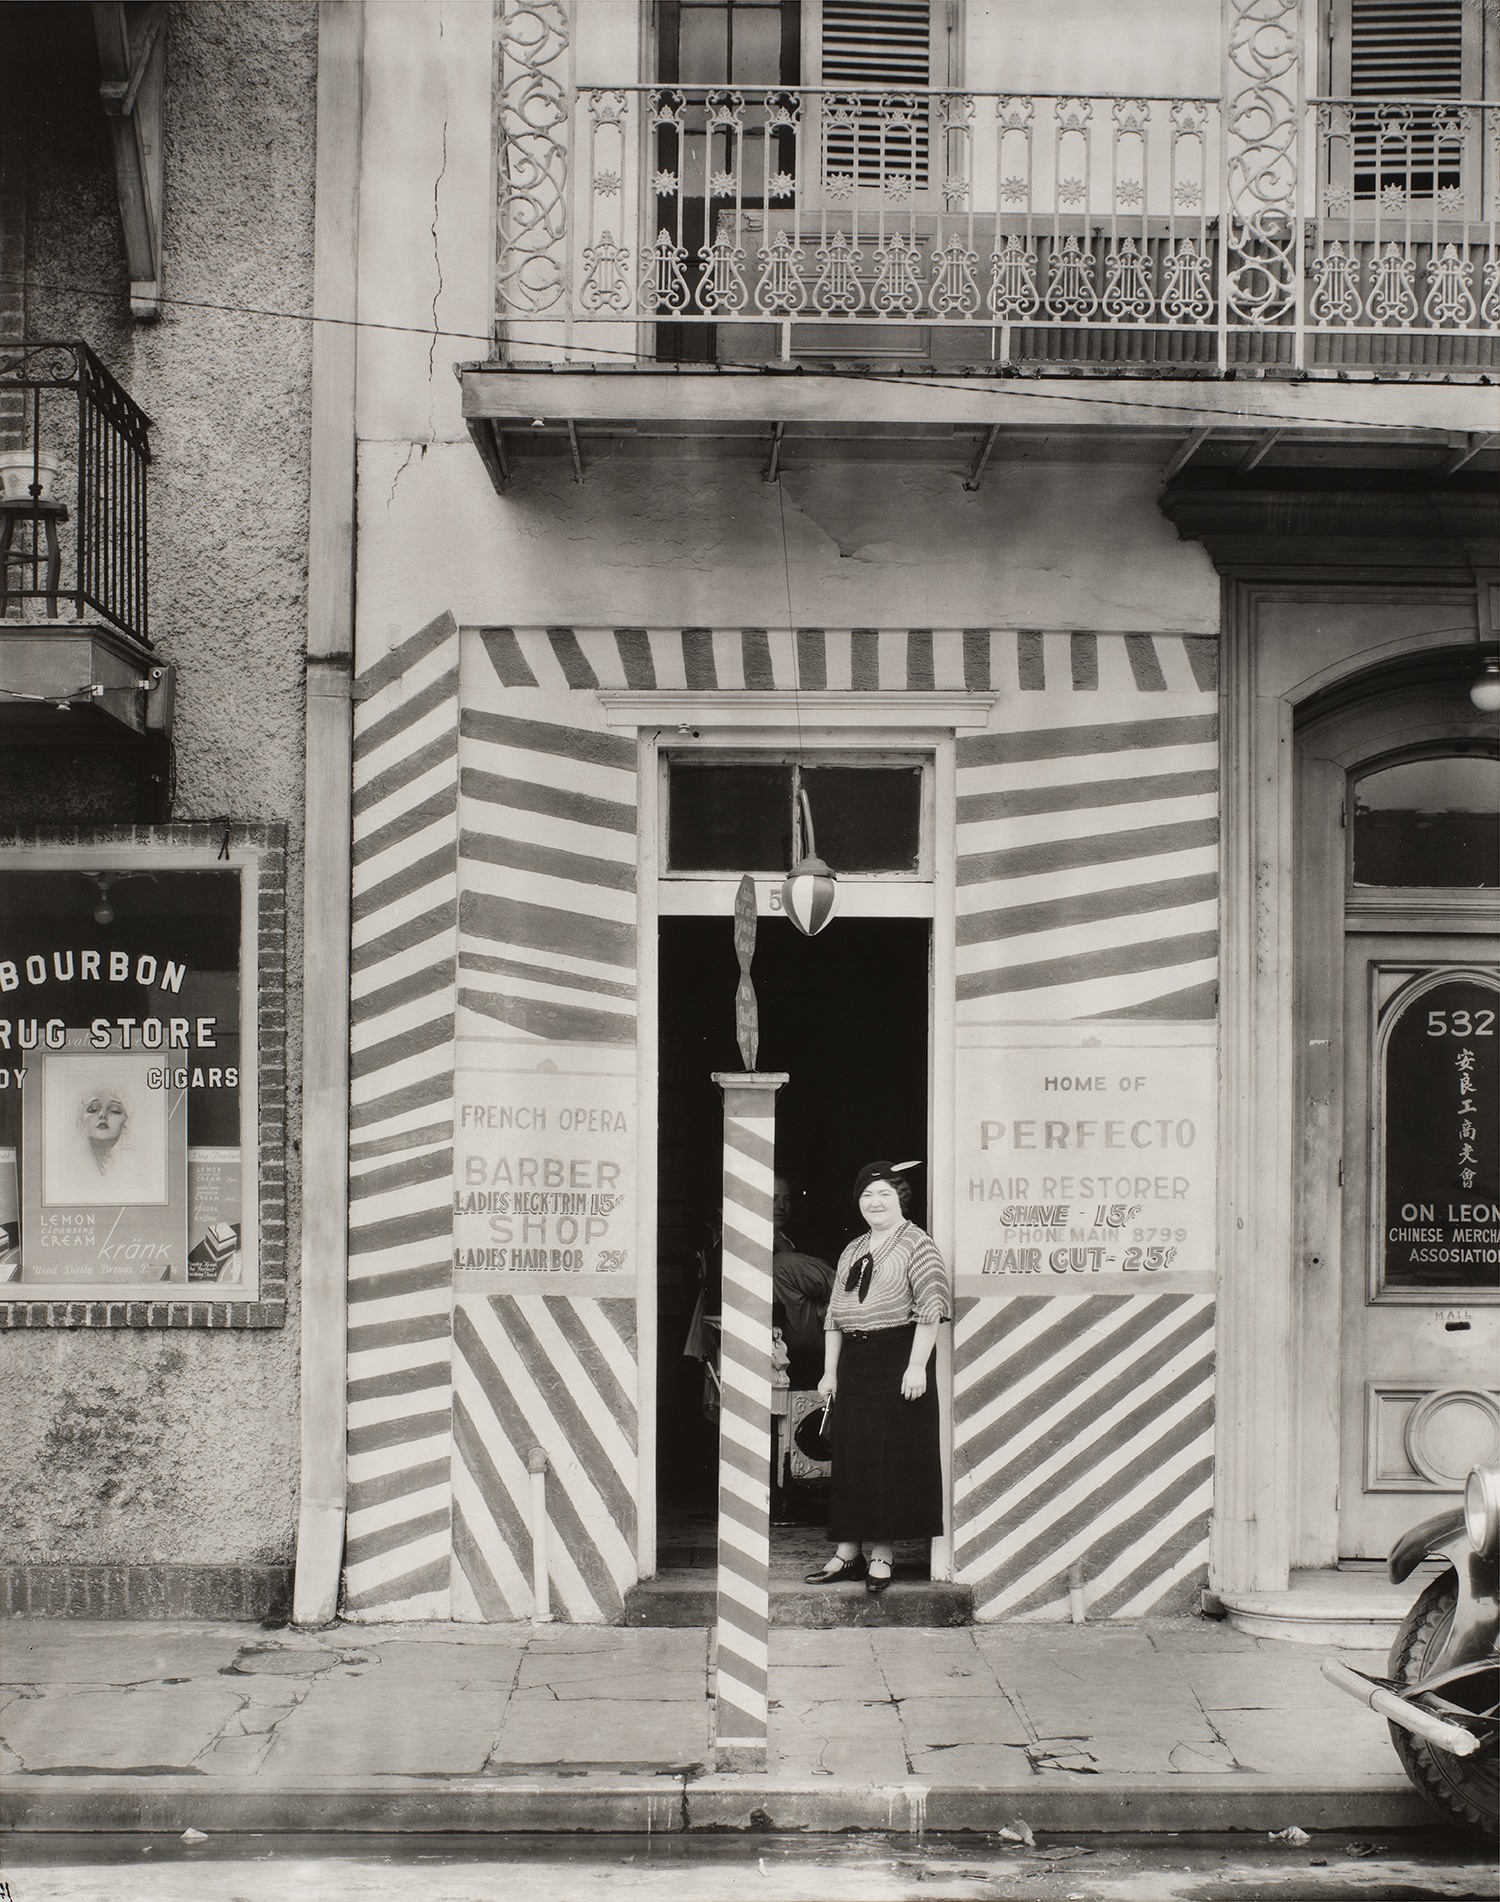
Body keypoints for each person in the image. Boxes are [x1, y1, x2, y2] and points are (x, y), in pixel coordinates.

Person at [805, 1159, 951, 1596]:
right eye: (867, 1195)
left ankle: (883, 1554)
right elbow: (834, 1315)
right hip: (856, 1362)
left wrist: (915, 1366)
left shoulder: (918, 1245)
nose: (875, 1202)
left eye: (884, 1193)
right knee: (852, 1455)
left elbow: (931, 1308)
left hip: (898, 1358)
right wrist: (830, 1372)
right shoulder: (854, 1248)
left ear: (901, 1197)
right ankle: (848, 1552)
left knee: (888, 1458)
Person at [770, 1173, 835, 1390]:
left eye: (786, 1199)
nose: (781, 1206)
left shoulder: (802, 1237)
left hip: (815, 1335)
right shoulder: (748, 1240)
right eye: (774, 1198)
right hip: (781, 1335)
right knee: (782, 1263)